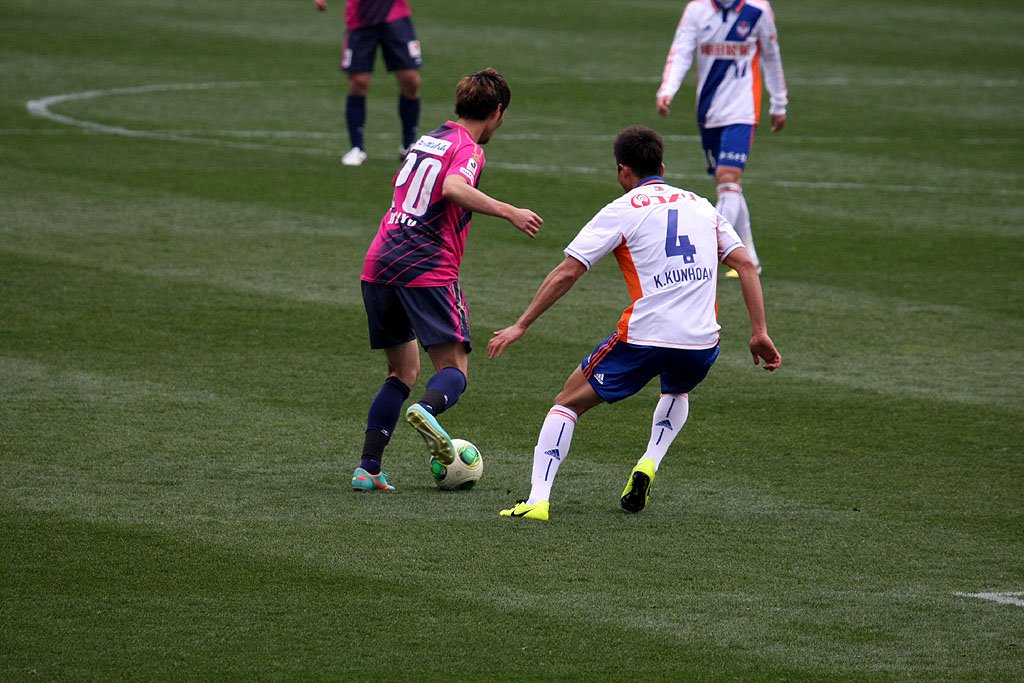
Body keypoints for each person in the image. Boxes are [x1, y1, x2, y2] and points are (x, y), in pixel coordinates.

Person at [488, 125, 780, 521]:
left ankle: (537, 500)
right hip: (701, 342)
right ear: (662, 167)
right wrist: (759, 332)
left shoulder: (623, 209)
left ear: (623, 171)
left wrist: (521, 324)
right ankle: (649, 460)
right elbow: (745, 264)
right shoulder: (701, 206)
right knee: (677, 389)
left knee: (567, 403)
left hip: (645, 337)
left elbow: (568, 272)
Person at [353, 69, 544, 492]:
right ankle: (426, 410)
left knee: (401, 371)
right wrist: (510, 211)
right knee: (454, 370)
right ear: (497, 112)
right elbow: (454, 187)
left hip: (379, 261)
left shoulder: (428, 139)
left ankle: (368, 468)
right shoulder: (468, 148)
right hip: (426, 267)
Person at [656, 0, 788, 276]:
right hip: (709, 111)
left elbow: (771, 55)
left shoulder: (757, 10)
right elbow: (681, 51)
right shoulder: (697, 10)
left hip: (743, 109)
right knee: (728, 184)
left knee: (728, 176)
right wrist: (667, 89)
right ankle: (750, 258)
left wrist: (779, 102)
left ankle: (708, 254)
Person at [315, 0, 423, 166]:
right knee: (358, 82)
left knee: (411, 80)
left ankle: (408, 145)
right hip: (360, 18)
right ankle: (357, 148)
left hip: (396, 16)